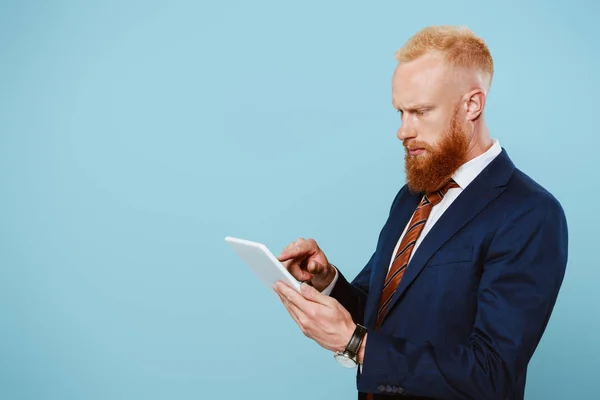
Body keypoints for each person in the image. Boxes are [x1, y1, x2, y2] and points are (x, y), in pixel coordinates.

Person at [272, 25, 568, 400]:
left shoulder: (530, 213)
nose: (402, 131)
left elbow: (492, 372)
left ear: (472, 104)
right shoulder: (412, 196)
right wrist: (327, 280)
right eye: (400, 112)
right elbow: (379, 311)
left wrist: (355, 344)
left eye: (420, 111)